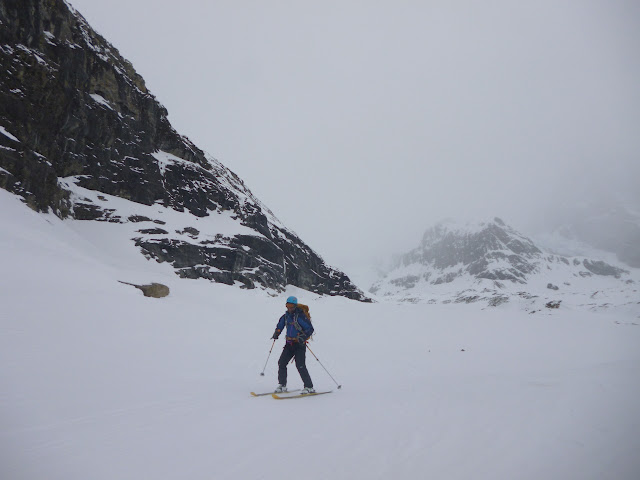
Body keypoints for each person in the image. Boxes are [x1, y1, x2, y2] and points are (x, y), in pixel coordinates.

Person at [271, 296, 315, 394]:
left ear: (295, 306)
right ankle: (282, 385)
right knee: (281, 363)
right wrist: (277, 333)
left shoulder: (300, 316)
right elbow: (280, 325)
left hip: (299, 344)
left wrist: (303, 337)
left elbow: (310, 329)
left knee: (300, 365)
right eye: (287, 306)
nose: (289, 308)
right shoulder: (286, 316)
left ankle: (309, 386)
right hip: (289, 344)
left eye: (291, 306)